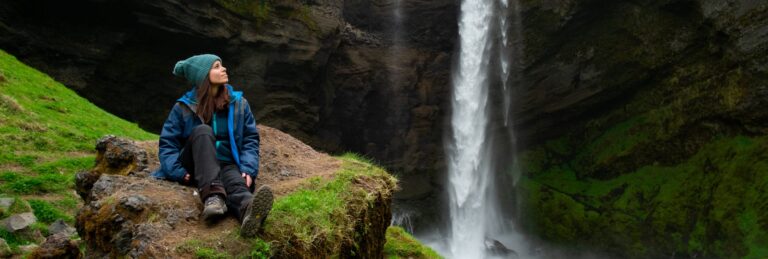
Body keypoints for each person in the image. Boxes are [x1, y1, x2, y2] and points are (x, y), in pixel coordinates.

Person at [152, 54, 272, 238]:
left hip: (226, 164)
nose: (223, 69)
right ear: (203, 75)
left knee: (236, 184)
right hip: (193, 166)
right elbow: (168, 144)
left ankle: (249, 211)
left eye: (221, 65)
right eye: (216, 66)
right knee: (203, 131)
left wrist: (248, 168)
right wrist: (177, 171)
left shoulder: (239, 104)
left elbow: (250, 139)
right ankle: (213, 197)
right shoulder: (183, 107)